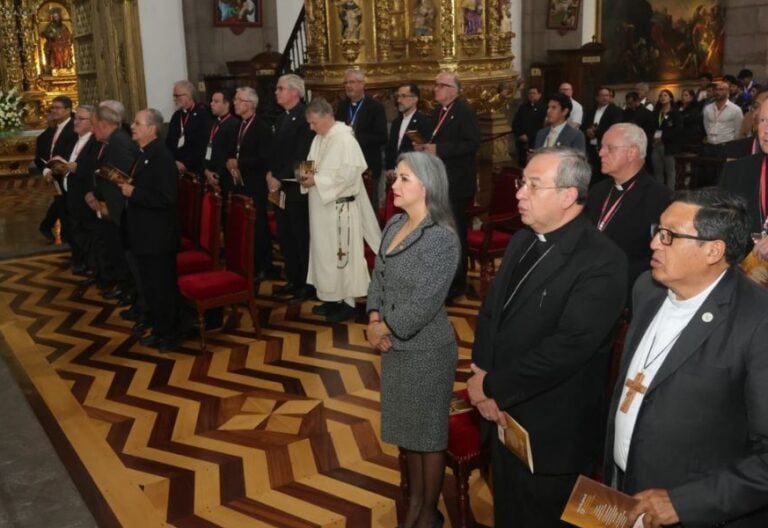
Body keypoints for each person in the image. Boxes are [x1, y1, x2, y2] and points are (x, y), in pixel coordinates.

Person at [468, 147, 627, 526]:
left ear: (568, 195)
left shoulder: (602, 260)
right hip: (502, 413)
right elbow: (491, 313)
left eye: (532, 185)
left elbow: (567, 349)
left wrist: (492, 385)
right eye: (523, 182)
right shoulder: (524, 239)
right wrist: (481, 374)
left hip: (551, 428)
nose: (519, 192)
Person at [605, 188, 768, 527]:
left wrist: (684, 503)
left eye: (669, 236)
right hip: (624, 489)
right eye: (657, 231)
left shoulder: (758, 322)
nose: (653, 244)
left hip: (696, 514)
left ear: (713, 250)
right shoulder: (647, 289)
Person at [367, 151, 459, 528]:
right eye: (396, 177)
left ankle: (424, 512)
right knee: (409, 433)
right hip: (394, 346)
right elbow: (378, 278)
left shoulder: (441, 238)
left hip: (427, 350)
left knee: (429, 435)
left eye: (404, 178)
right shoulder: (393, 225)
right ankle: (417, 505)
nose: (395, 184)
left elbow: (425, 302)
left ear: (427, 186)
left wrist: (382, 328)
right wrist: (374, 317)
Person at [302, 98, 381, 322]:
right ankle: (331, 298)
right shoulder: (319, 138)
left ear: (327, 117)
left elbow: (348, 178)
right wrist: (303, 176)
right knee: (324, 257)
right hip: (320, 210)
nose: (311, 127)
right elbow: (309, 164)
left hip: (340, 210)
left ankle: (347, 303)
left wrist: (316, 180)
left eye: (314, 122)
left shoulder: (345, 140)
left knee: (343, 257)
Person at [117, 109, 182, 351]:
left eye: (137, 123)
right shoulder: (144, 153)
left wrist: (134, 192)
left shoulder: (161, 157)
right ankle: (159, 329)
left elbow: (167, 198)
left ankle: (170, 334)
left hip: (158, 236)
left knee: (162, 287)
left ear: (151, 128)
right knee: (151, 286)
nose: (132, 126)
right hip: (144, 234)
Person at [415, 72, 480, 299]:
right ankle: (441, 277)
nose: (436, 89)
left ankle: (457, 283)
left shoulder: (464, 112)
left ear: (454, 90)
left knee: (455, 234)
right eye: (436, 85)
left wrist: (439, 150)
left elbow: (472, 144)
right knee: (440, 233)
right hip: (439, 182)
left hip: (457, 184)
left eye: (441, 85)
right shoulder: (437, 112)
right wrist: (424, 147)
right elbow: (434, 139)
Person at [586, 123, 671, 294]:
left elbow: (658, 257)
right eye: (601, 147)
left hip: (624, 287)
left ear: (632, 152)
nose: (601, 153)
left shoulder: (661, 198)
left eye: (609, 148)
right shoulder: (597, 190)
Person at [266, 74, 315, 302]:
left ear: (295, 92)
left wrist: (280, 176)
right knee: (285, 236)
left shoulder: (306, 117)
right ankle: (293, 280)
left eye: (281, 88)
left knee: (301, 237)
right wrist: (270, 173)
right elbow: (276, 153)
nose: (276, 92)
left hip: (298, 189)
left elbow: (304, 156)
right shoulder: (281, 118)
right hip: (279, 187)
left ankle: (307, 284)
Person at [227, 86, 275, 280]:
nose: (235, 103)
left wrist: (240, 163)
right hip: (242, 182)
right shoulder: (239, 124)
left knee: (259, 226)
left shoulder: (261, 127)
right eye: (235, 99)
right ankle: (250, 262)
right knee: (246, 226)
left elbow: (264, 158)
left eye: (239, 100)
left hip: (256, 184)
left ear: (251, 105)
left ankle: (264, 265)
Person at [719, 97, 768, 259]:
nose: (766, 129)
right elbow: (721, 226)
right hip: (744, 271)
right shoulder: (735, 171)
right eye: (762, 120)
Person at [335, 69, 388, 208]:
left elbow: (382, 137)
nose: (348, 86)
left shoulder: (375, 107)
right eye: (346, 82)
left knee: (369, 207)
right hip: (346, 166)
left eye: (351, 82)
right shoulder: (342, 106)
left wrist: (355, 137)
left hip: (367, 166)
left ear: (362, 84)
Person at [36, 95, 78, 244]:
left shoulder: (74, 128)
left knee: (64, 207)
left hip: (65, 172)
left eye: (57, 108)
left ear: (68, 110)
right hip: (53, 173)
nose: (54, 111)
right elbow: (42, 153)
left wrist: (58, 167)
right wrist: (46, 170)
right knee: (61, 205)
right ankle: (54, 230)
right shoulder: (52, 129)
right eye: (52, 108)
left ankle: (65, 238)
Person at [203, 88, 240, 215]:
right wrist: (206, 170)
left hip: (224, 177)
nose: (211, 104)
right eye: (211, 101)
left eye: (216, 101)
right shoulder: (213, 123)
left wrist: (217, 174)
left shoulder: (234, 124)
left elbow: (230, 153)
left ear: (227, 104)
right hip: (210, 173)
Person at [385, 82, 431, 181]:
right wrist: (389, 168)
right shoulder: (396, 122)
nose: (399, 100)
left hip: (414, 175)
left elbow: (424, 152)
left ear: (415, 99)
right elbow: (391, 147)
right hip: (395, 175)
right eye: (398, 96)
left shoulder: (424, 122)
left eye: (403, 96)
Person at [165, 80, 212, 176]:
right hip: (176, 167)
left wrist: (186, 164)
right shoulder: (177, 116)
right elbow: (169, 142)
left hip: (195, 169)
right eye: (174, 96)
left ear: (188, 96)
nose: (175, 99)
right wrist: (173, 161)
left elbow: (202, 144)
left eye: (177, 96)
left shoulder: (202, 114)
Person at [582, 86, 622, 181]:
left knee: (605, 174)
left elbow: (613, 127)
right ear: (597, 97)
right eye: (602, 95)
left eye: (607, 95)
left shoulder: (615, 111)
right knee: (592, 173)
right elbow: (584, 124)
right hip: (591, 147)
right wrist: (587, 130)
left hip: (606, 147)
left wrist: (595, 132)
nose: (605, 98)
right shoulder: (591, 110)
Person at [650, 89, 683, 189]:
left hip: (669, 146)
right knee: (657, 171)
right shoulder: (656, 113)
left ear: (671, 98)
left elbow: (678, 130)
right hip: (656, 145)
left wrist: (662, 138)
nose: (662, 98)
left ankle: (670, 195)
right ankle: (659, 193)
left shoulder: (675, 113)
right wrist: (653, 139)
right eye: (661, 96)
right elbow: (651, 127)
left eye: (665, 95)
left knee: (670, 171)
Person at [511, 85, 546, 167]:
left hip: (535, 142)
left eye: (534, 93)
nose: (531, 95)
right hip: (521, 142)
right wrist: (519, 135)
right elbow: (515, 123)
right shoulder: (523, 107)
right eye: (530, 93)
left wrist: (529, 136)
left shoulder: (544, 108)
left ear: (539, 95)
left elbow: (541, 126)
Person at [702, 81, 743, 146]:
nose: (718, 92)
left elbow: (738, 130)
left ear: (728, 92)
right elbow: (706, 126)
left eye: (721, 90)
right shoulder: (707, 108)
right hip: (710, 145)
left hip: (727, 145)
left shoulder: (736, 109)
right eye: (716, 89)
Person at [41, 8, 73, 72]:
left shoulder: (63, 26)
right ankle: (57, 66)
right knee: (56, 49)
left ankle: (66, 66)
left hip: (64, 43)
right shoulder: (51, 26)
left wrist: (69, 39)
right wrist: (51, 35)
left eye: (57, 16)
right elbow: (45, 33)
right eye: (55, 17)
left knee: (67, 49)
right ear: (53, 18)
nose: (56, 18)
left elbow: (68, 35)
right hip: (54, 43)